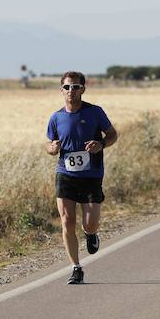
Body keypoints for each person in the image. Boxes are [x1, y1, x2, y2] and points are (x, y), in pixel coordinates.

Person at [46, 71, 118, 285]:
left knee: (90, 222)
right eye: (67, 87)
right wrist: (52, 148)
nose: (71, 91)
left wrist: (101, 144)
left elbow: (113, 134)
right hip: (65, 174)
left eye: (76, 87)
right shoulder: (56, 117)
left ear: (83, 89)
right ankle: (76, 268)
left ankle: (91, 234)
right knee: (67, 221)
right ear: (61, 90)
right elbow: (48, 144)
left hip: (91, 174)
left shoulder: (95, 112)